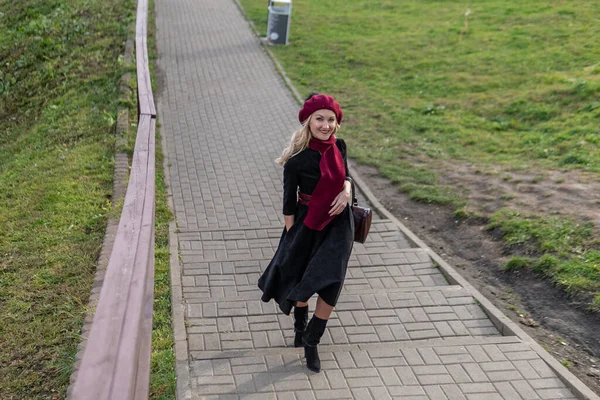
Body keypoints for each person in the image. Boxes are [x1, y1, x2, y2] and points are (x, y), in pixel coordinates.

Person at [258, 93, 354, 373]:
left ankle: (312, 339)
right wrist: (292, 239)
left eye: (331, 120)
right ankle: (300, 324)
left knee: (331, 281)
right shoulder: (296, 162)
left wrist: (347, 190)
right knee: (303, 283)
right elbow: (288, 205)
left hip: (339, 226)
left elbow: (346, 176)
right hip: (306, 226)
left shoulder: (340, 147)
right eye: (319, 119)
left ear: (337, 124)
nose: (326, 125)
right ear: (308, 122)